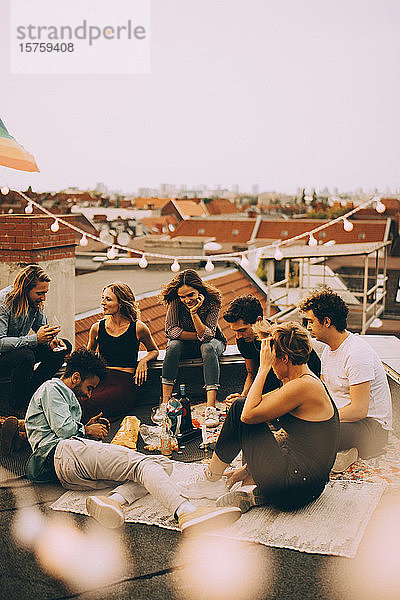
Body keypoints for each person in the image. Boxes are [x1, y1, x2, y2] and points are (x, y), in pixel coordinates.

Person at [24, 349, 241, 534]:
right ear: (75, 377)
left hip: (69, 469)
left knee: (161, 465)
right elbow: (63, 431)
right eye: (90, 388)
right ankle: (187, 512)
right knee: (142, 465)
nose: (90, 395)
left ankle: (113, 501)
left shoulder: (65, 397)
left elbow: (64, 427)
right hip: (60, 454)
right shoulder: (53, 388)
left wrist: (85, 427)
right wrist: (85, 429)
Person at [179, 321, 339, 513]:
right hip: (307, 484)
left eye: (272, 362)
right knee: (248, 409)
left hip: (294, 487)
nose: (271, 368)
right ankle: (253, 486)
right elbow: (274, 420)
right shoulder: (304, 380)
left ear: (285, 359)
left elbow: (247, 414)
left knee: (240, 409)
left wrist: (262, 368)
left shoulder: (303, 387)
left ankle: (212, 479)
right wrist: (248, 468)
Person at [299, 287, 392, 472]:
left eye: (310, 322)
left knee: (311, 432)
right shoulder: (327, 351)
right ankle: (345, 453)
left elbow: (359, 410)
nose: (308, 327)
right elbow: (324, 394)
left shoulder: (357, 353)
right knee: (297, 422)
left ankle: (345, 452)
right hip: (346, 420)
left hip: (372, 428)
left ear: (326, 321)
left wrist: (320, 418)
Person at [222, 295, 321, 405]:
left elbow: (291, 382)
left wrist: (248, 401)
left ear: (258, 320)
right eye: (235, 331)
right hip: (270, 387)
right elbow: (251, 372)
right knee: (238, 406)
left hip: (300, 386)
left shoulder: (282, 339)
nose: (239, 336)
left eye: (242, 330)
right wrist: (243, 396)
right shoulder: (243, 340)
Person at [159, 269, 226, 428]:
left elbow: (209, 336)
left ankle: (211, 407)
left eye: (190, 295)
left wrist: (194, 313)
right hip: (188, 343)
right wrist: (198, 335)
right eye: (183, 296)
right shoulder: (175, 301)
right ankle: (165, 403)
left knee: (207, 347)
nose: (186, 300)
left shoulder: (213, 301)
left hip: (213, 343)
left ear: (199, 290)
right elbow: (170, 331)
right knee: (173, 345)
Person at [0, 264, 72, 414]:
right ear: (25, 289)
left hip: (19, 349)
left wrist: (51, 340)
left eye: (45, 293)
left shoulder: (36, 302)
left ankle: (31, 395)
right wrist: (34, 339)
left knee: (64, 347)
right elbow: (1, 343)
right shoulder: (4, 302)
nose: (43, 298)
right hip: (4, 355)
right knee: (26, 356)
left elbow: (42, 327)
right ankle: (16, 406)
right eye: (40, 293)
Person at [83, 283, 159, 422]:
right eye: (103, 298)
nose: (103, 303)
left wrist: (143, 360)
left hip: (124, 382)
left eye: (108, 299)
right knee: (82, 400)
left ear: (121, 303)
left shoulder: (138, 327)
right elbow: (87, 357)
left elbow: (154, 350)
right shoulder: (96, 328)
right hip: (101, 379)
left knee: (94, 403)